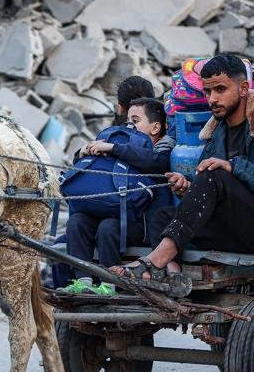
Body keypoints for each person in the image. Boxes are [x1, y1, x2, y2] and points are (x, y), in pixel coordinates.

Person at [109, 54, 254, 281]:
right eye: (208, 92)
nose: (212, 99)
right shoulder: (218, 131)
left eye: (220, 89)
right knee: (162, 216)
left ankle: (156, 259)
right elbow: (214, 191)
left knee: (215, 174)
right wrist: (187, 187)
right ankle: (171, 275)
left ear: (243, 88)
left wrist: (233, 167)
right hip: (239, 228)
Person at [62, 98, 173, 293]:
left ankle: (109, 282)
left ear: (155, 128)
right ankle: (83, 281)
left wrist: (114, 148)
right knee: (77, 222)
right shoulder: (122, 144)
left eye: (136, 120)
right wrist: (83, 152)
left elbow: (156, 163)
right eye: (128, 120)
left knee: (108, 226)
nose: (129, 125)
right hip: (113, 212)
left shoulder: (163, 147)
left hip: (143, 226)